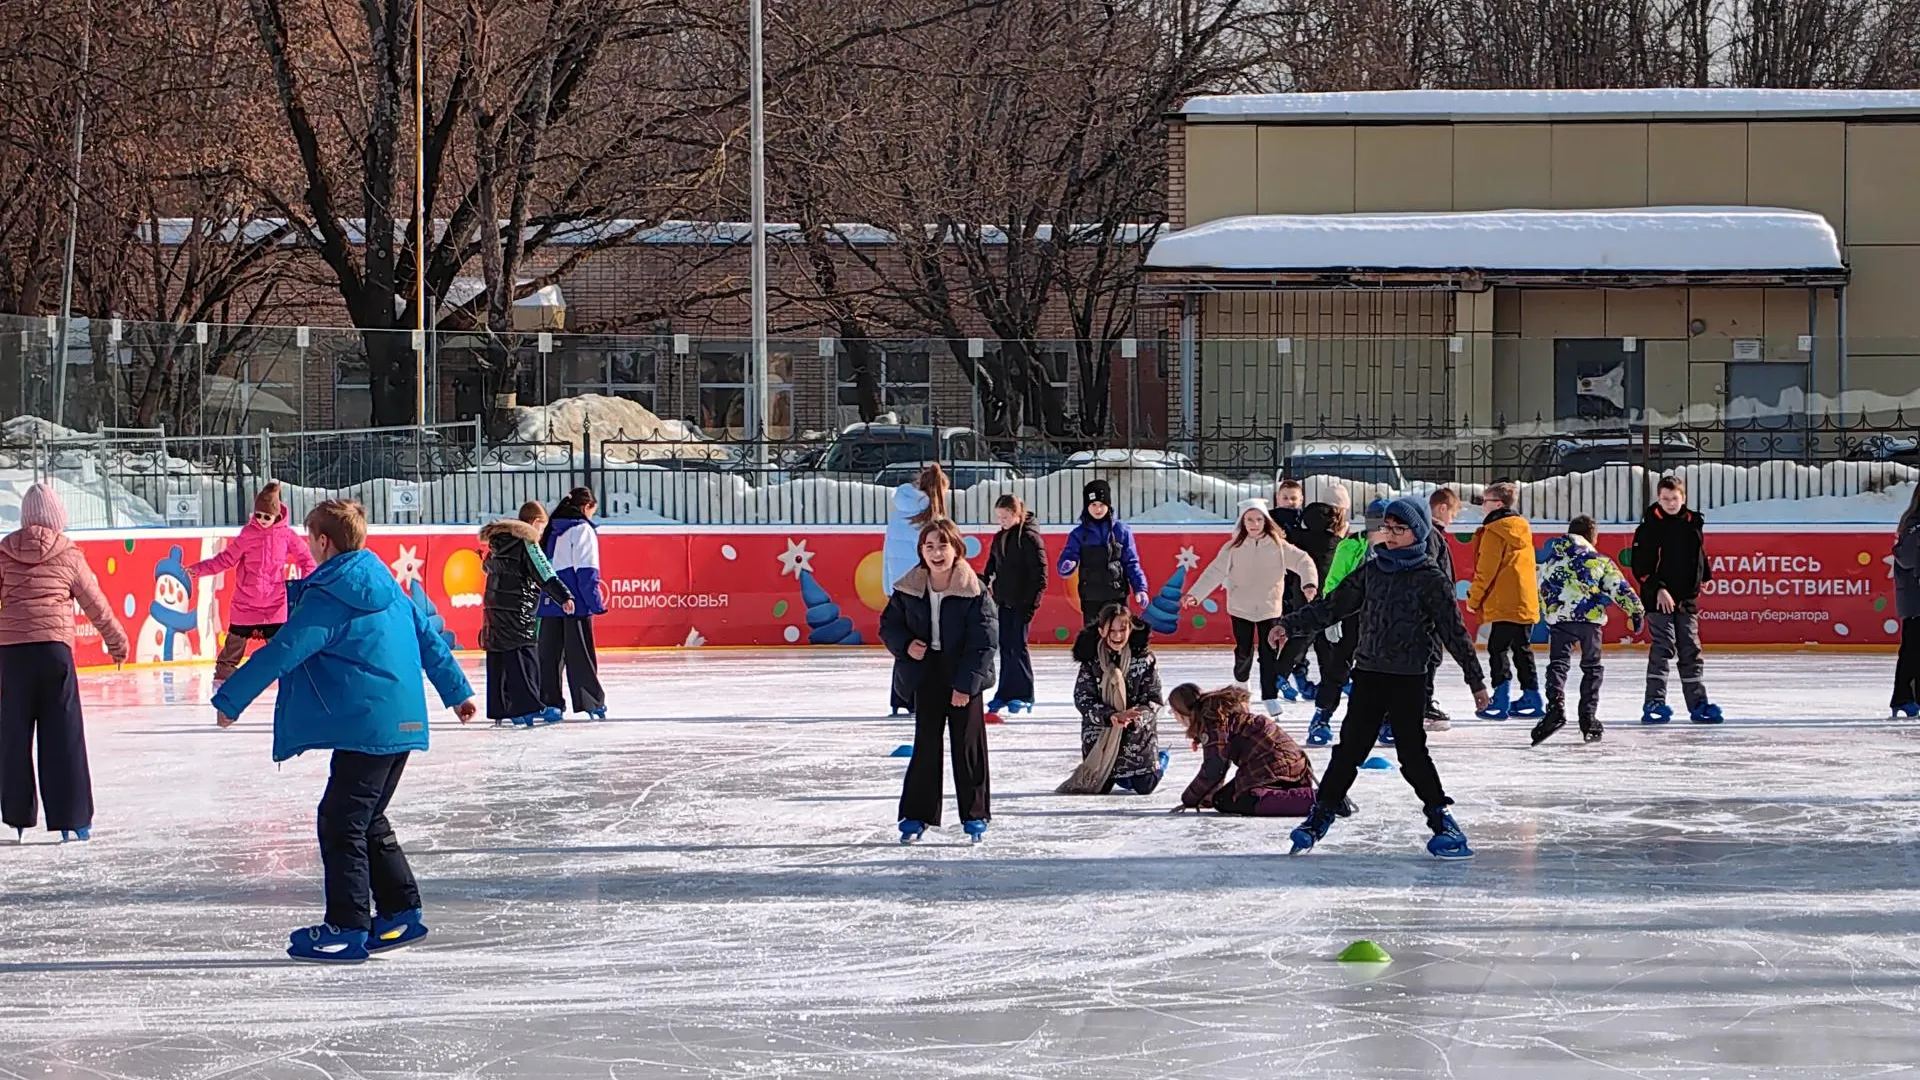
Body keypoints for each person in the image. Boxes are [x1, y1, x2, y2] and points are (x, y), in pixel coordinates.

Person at [212, 500, 477, 963]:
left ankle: (348, 926)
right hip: (403, 721)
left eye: (311, 537)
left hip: (365, 724)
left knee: (340, 822)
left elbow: (285, 650)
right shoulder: (389, 587)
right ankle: (398, 912)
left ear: (323, 541)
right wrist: (458, 693)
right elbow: (429, 640)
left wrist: (232, 699)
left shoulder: (331, 594)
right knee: (366, 817)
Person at [1271, 496, 1491, 858]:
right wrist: (1288, 625)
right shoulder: (1373, 571)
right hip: (1369, 673)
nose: (1388, 533)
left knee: (1412, 754)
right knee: (1348, 751)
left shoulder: (1430, 579)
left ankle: (1442, 820)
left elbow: (1454, 632)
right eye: (1386, 527)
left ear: (1416, 532)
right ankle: (1320, 814)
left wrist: (1476, 681)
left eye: (1397, 528)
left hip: (1408, 678)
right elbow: (1332, 607)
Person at [0, 483, 130, 843]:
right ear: (59, 519)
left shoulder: (4, 552)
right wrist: (117, 642)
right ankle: (72, 818)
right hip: (54, 654)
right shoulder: (68, 554)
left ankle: (18, 817)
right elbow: (96, 604)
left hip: (12, 655)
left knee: (13, 735)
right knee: (64, 736)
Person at [881, 519, 998, 844]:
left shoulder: (973, 588)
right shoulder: (909, 587)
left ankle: (974, 815)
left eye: (943, 545)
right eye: (929, 546)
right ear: (921, 551)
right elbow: (889, 625)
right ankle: (917, 815)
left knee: (968, 746)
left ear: (956, 548)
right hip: (927, 672)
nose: (936, 552)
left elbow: (985, 641)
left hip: (963, 672)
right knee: (926, 745)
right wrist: (906, 645)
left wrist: (965, 685)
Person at [1183, 498, 1319, 715]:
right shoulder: (1233, 548)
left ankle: (1270, 696)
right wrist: (1195, 595)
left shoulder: (1279, 547)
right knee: (1243, 652)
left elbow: (1304, 561)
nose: (1254, 524)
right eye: (1249, 520)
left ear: (1266, 521)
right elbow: (1214, 572)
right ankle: (1241, 684)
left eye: (1258, 519)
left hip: (1269, 609)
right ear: (1242, 522)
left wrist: (1309, 584)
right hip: (1240, 608)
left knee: (1269, 654)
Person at [185, 481, 318, 685]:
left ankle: (291, 675)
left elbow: (306, 559)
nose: (262, 520)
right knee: (235, 643)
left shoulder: (286, 535)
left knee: (281, 646)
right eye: (259, 515)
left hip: (274, 603)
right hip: (246, 601)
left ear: (276, 515)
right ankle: (223, 674)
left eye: (267, 516)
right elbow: (225, 560)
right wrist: (198, 569)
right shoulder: (248, 535)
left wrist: (307, 583)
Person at [1532, 515, 1644, 745]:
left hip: (1560, 621)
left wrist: (1548, 612)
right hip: (1589, 622)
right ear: (1593, 537)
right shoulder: (1598, 560)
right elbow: (1618, 587)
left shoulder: (1550, 562)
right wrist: (1635, 611)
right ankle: (1588, 717)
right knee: (1591, 667)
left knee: (1558, 665)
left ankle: (1555, 707)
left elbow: (1539, 587)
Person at [1632, 475, 1721, 724]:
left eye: (1674, 498)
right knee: (1664, 647)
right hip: (1658, 597)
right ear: (1658, 499)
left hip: (1686, 598)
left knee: (1691, 649)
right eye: (1664, 499)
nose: (1670, 503)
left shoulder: (1693, 522)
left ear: (1683, 498)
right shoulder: (1650, 526)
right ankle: (1654, 702)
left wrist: (1705, 574)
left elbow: (1698, 552)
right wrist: (1659, 588)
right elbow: (1641, 565)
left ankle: (1698, 703)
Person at [480, 501, 575, 728]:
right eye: (541, 528)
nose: (541, 534)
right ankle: (530, 707)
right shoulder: (528, 543)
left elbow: (487, 568)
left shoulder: (497, 542)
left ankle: (501, 707)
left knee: (500, 656)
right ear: (534, 523)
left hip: (493, 608)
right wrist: (564, 596)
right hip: (518, 610)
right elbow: (544, 572)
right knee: (524, 655)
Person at [1061, 604, 1167, 795]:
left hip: (1136, 734)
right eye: (1112, 630)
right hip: (1102, 732)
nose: (1117, 636)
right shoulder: (1091, 660)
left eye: (1122, 630)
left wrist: (1135, 718)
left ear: (1130, 629)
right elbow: (1083, 698)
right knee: (1098, 789)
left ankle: (1160, 760)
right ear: (1102, 631)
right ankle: (1120, 775)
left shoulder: (1144, 659)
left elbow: (1154, 699)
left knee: (1145, 787)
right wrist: (1110, 716)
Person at [1166, 683, 1319, 817]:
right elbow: (1219, 766)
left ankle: (1317, 800)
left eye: (1174, 713)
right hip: (1288, 762)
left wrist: (1190, 798)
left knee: (1236, 800)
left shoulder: (1213, 721)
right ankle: (1295, 795)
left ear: (1182, 712)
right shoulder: (1220, 712)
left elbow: (1215, 767)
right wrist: (1206, 797)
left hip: (1275, 764)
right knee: (1222, 798)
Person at [1302, 498, 1378, 747]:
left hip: (1384, 619)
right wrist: (1333, 616)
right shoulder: (1352, 545)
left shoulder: (1401, 548)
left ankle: (1386, 719)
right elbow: (1334, 580)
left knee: (1385, 672)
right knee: (1338, 668)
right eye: (1376, 524)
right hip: (1351, 616)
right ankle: (1322, 716)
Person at [1467, 481, 1542, 720]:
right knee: (1522, 648)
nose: (1482, 506)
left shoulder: (1495, 531)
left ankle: (1501, 697)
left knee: (1497, 648)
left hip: (1504, 601)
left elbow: (1485, 570)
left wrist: (1474, 599)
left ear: (1497, 504)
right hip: (1525, 601)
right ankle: (1532, 695)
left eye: (1485, 501)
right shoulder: (1522, 528)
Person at [883, 464, 950, 715]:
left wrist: (887, 583)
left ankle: (899, 697)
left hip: (897, 584)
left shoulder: (899, 510)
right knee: (922, 643)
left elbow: (888, 549)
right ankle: (915, 696)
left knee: (903, 641)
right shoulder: (931, 518)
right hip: (921, 586)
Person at [539, 486, 608, 720]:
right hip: (574, 601)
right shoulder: (582, 530)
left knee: (549, 654)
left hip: (551, 598)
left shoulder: (552, 530)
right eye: (592, 511)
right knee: (580, 653)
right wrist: (595, 603)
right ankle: (591, 701)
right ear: (585, 508)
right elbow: (586, 571)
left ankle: (549, 703)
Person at [983, 493, 1046, 713]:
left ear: (1017, 513)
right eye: (999, 517)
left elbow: (1040, 575)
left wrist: (1032, 604)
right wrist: (984, 578)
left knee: (1018, 646)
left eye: (1006, 516)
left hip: (1023, 601)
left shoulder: (1029, 538)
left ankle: (1024, 693)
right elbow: (992, 563)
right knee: (1006, 646)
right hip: (1004, 600)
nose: (1002, 521)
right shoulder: (1000, 537)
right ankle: (1005, 692)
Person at [1058, 479, 1147, 627]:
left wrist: (1140, 588)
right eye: (1093, 505)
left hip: (1116, 595)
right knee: (1093, 638)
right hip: (1091, 597)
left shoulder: (1121, 531)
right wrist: (1066, 565)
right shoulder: (1078, 534)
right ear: (1087, 507)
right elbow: (1068, 556)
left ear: (1108, 505)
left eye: (1101, 505)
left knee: (1117, 634)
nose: (1097, 509)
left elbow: (1131, 563)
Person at [1423, 487, 1463, 731]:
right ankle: (1421, 703)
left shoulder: (1433, 534)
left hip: (1434, 609)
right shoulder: (1430, 535)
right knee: (1430, 656)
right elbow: (1432, 573)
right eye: (1454, 513)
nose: (1454, 519)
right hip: (1431, 611)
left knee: (1432, 656)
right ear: (1442, 508)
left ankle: (1423, 701)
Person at [1892, 484, 1920, 718]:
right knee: (1912, 650)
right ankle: (1903, 697)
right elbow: (1908, 559)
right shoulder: (1915, 526)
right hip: (1916, 600)